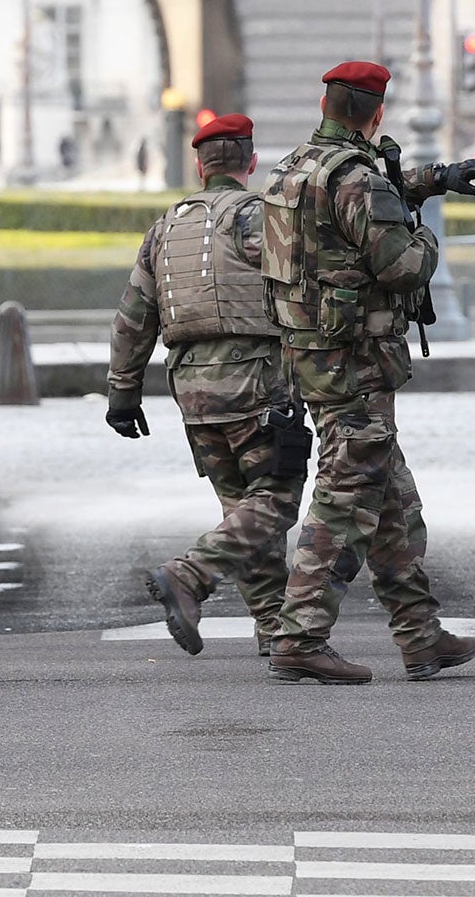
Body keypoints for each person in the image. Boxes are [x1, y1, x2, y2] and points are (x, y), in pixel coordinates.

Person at [260, 60, 475, 684]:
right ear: (377, 113)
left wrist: (434, 180)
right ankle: (299, 635)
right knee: (344, 499)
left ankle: (421, 637)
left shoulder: (290, 170)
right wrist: (428, 240)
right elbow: (401, 266)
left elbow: (346, 214)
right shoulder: (358, 179)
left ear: (327, 105)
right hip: (356, 365)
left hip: (310, 357)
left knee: (393, 503)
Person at [105, 113, 310, 659]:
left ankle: (273, 628)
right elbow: (303, 297)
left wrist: (122, 394)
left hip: (193, 393)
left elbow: (133, 317)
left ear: (200, 165)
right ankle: (190, 574)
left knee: (241, 509)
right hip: (258, 385)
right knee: (276, 499)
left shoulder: (164, 228)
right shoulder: (262, 219)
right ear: (251, 162)